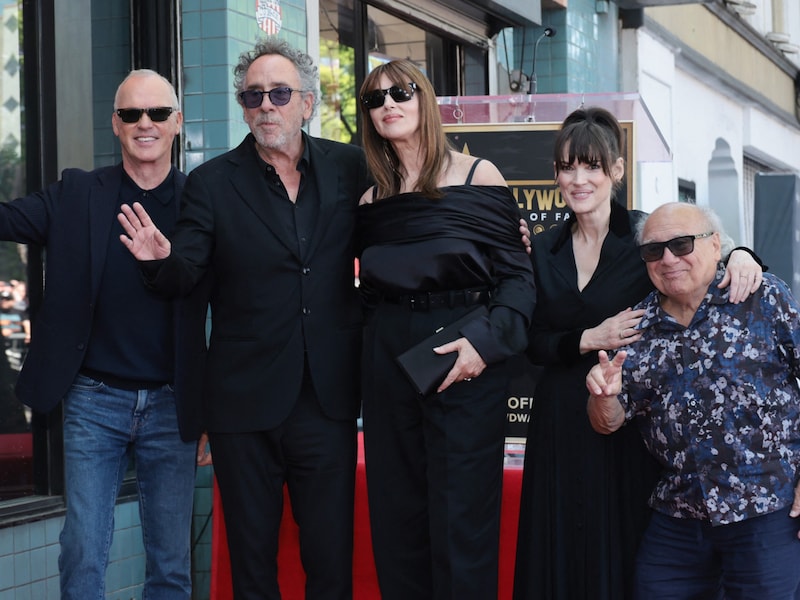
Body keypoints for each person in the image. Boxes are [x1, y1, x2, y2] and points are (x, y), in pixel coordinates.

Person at [118, 38, 371, 599]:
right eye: (253, 95)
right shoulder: (212, 182)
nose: (266, 105)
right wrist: (160, 261)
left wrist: (490, 233)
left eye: (279, 93)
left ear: (307, 102)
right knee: (251, 565)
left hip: (326, 398)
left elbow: (402, 227)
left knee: (330, 559)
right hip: (243, 405)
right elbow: (186, 272)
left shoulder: (351, 167)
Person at [513, 106, 765, 600]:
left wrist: (741, 254)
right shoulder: (543, 250)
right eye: (567, 167)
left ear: (616, 171)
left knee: (625, 544)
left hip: (628, 421)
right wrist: (590, 337)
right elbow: (532, 341)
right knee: (558, 546)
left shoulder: (646, 242)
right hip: (559, 419)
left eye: (591, 166)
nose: (578, 179)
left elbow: (707, 259)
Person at [0, 69, 210, 598]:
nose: (146, 124)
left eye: (158, 113)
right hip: (94, 400)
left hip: (172, 404)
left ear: (177, 123)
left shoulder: (201, 205)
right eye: (132, 114)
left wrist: (217, 413)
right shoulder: (77, 194)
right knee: (83, 553)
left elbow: (236, 309)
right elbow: (8, 219)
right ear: (115, 124)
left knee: (170, 562)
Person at [355, 59, 536, 599]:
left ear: (424, 99)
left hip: (463, 356)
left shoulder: (479, 176)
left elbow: (518, 281)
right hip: (389, 357)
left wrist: (485, 344)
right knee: (396, 517)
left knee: (463, 520)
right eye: (375, 100)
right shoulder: (370, 201)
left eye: (400, 93)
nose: (388, 105)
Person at [586, 202, 800, 600]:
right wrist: (603, 396)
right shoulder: (637, 326)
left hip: (766, 507)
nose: (668, 259)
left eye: (682, 244)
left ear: (716, 244)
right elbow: (608, 422)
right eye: (654, 250)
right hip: (680, 515)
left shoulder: (761, 297)